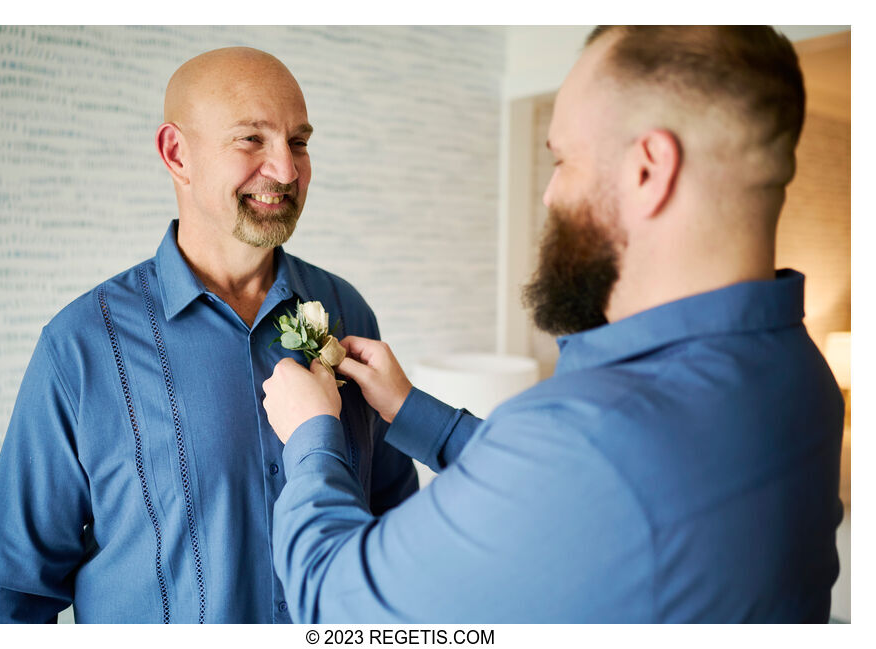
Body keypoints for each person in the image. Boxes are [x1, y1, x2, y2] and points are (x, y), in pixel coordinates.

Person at [262, 26, 845, 622]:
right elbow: (565, 500)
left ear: (648, 171)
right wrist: (411, 409)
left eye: (563, 160)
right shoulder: (804, 379)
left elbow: (340, 608)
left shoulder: (593, 435)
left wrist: (311, 435)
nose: (548, 194)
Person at [0, 47, 417, 623]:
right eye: (252, 140)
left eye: (298, 142)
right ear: (177, 153)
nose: (287, 169)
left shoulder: (349, 313)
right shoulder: (78, 346)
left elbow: (395, 528)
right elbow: (12, 594)